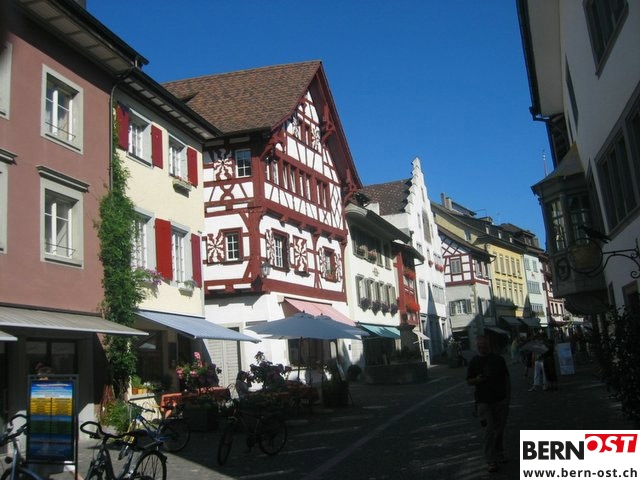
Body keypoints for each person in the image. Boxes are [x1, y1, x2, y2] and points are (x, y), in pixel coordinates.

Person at [466, 335, 511, 474]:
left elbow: (506, 378)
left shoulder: (498, 359)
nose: (482, 349)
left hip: (500, 399)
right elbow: (468, 381)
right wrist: (477, 379)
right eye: (480, 347)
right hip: (483, 401)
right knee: (488, 430)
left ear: (489, 345)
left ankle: (499, 453)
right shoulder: (474, 361)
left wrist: (508, 397)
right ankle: (490, 460)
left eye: (484, 346)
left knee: (499, 429)